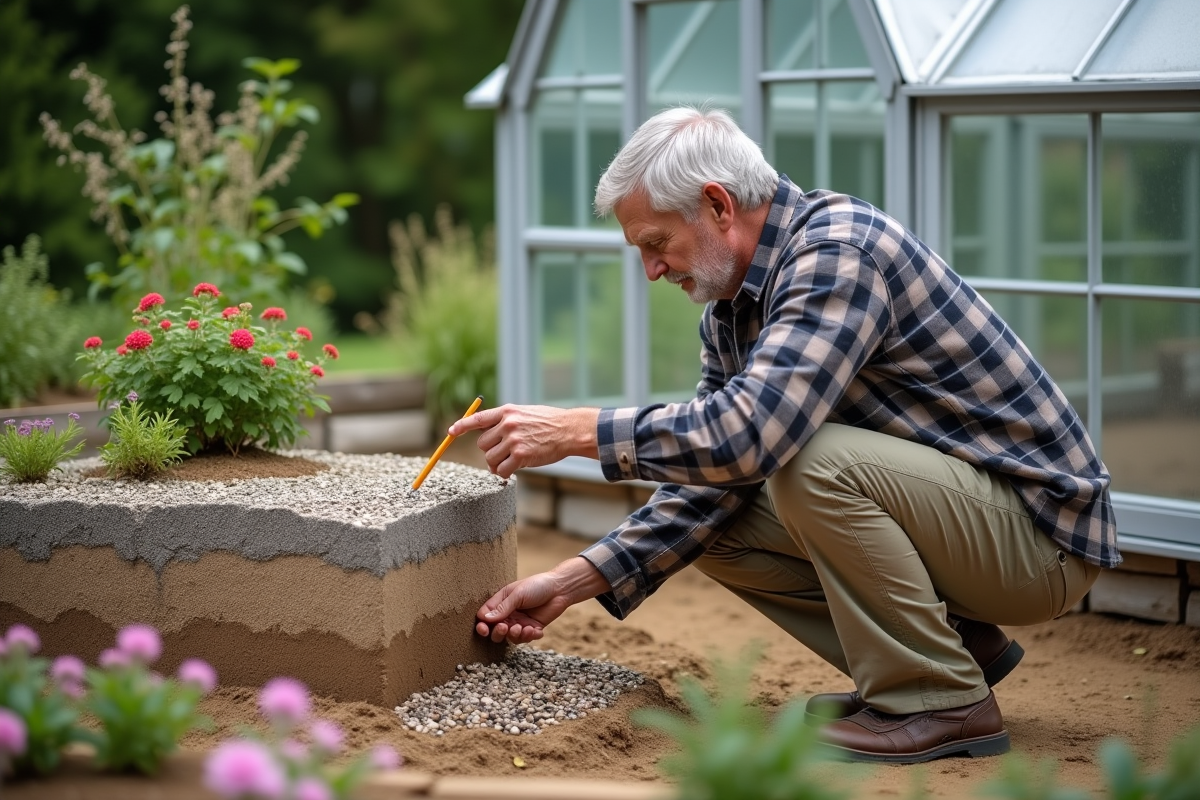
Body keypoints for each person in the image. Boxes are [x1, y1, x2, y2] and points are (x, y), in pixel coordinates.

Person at [449, 106, 1118, 764]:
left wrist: (576, 429)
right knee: (714, 513)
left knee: (808, 464)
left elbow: (751, 437)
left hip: (1038, 539)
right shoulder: (733, 307)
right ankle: (950, 651)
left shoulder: (837, 254)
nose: (651, 270)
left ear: (717, 205)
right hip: (970, 528)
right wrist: (572, 581)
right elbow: (716, 473)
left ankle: (936, 699)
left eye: (656, 243)